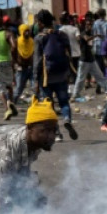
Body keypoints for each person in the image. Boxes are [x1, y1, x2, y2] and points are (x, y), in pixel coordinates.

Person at [34, 10, 77, 140]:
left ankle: (57, 133)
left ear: (41, 23)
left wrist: (35, 79)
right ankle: (67, 118)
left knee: (49, 104)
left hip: (46, 76)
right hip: (62, 73)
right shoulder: (62, 35)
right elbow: (68, 54)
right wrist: (69, 72)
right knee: (64, 101)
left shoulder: (39, 37)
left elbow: (37, 60)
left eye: (37, 22)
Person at [71, 17, 107, 101]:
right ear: (84, 25)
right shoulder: (83, 33)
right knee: (80, 78)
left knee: (100, 76)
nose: (89, 26)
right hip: (84, 60)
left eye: (91, 24)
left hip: (91, 59)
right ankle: (75, 95)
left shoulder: (90, 33)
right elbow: (86, 39)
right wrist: (96, 36)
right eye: (87, 24)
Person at [58, 12, 81, 84]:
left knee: (67, 72)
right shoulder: (75, 29)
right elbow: (78, 39)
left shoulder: (61, 30)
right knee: (75, 71)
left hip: (66, 54)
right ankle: (75, 87)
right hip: (76, 53)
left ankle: (69, 87)